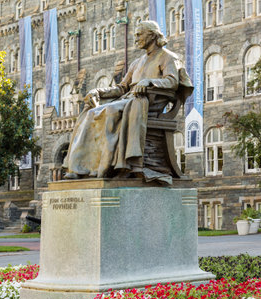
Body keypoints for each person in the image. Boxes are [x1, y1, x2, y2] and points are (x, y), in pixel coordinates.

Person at [63, 20, 193, 180]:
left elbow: (172, 81)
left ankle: (107, 167)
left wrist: (150, 82)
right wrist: (98, 91)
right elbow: (121, 88)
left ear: (152, 35)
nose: (136, 38)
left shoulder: (168, 58)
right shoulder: (136, 62)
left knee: (110, 111)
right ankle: (80, 168)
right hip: (128, 100)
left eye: (139, 34)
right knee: (91, 113)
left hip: (147, 104)